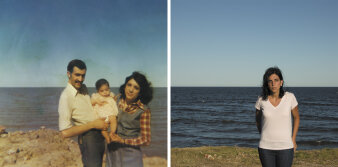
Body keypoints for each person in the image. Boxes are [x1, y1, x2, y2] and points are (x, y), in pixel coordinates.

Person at [58, 59, 109, 167]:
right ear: (68, 74)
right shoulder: (66, 97)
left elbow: (85, 109)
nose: (80, 79)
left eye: (83, 75)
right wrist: (93, 124)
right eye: (77, 75)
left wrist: (95, 101)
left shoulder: (83, 87)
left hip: (99, 135)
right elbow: (65, 132)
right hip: (88, 138)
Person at [255, 67, 300, 167]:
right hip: (265, 147)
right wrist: (262, 133)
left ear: (281, 82)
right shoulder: (261, 100)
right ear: (267, 83)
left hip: (286, 147)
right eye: (270, 81)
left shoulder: (290, 97)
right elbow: (257, 120)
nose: (273, 84)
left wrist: (293, 139)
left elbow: (296, 117)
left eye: (276, 80)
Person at [106, 72, 153, 167]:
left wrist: (123, 141)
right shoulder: (116, 100)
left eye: (136, 88)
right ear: (125, 86)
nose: (131, 90)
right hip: (112, 150)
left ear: (140, 92)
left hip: (130, 154)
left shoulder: (144, 110)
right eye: (129, 85)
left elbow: (146, 140)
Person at [91, 79, 118, 144]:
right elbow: (90, 102)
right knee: (103, 129)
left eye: (106, 90)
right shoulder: (96, 96)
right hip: (101, 114)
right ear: (98, 91)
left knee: (113, 120)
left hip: (110, 113)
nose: (105, 92)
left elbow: (114, 99)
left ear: (109, 88)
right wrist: (96, 101)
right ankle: (107, 138)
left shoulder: (111, 95)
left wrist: (115, 99)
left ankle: (112, 133)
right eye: (102, 91)